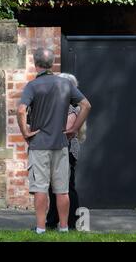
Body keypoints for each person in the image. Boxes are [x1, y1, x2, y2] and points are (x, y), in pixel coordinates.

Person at [17, 48, 91, 234]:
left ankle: (41, 228)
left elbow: (20, 111)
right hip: (61, 143)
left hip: (39, 144)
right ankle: (64, 228)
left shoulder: (33, 86)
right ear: (52, 63)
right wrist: (73, 129)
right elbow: (86, 105)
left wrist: (26, 133)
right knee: (62, 189)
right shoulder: (65, 84)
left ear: (36, 63)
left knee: (40, 188)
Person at [46, 73, 87, 230]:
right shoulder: (65, 104)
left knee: (66, 188)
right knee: (56, 187)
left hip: (65, 148)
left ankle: (71, 223)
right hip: (61, 147)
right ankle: (54, 220)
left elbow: (67, 131)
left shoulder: (70, 106)